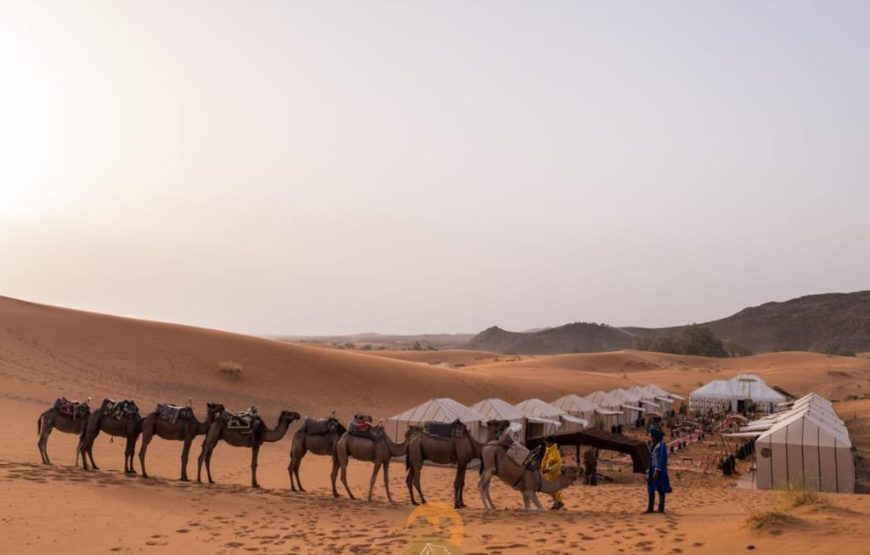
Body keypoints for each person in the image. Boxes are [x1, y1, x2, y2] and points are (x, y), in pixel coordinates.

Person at [646, 427, 672, 514]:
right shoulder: (653, 445)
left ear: (655, 437)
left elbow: (661, 458)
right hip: (652, 469)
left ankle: (661, 508)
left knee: (661, 489)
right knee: (651, 488)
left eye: (651, 436)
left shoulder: (661, 445)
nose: (650, 437)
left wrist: (657, 470)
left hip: (659, 471)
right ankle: (650, 508)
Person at [541, 437, 564, 510]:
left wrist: (549, 469)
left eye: (546, 443)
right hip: (549, 473)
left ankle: (558, 502)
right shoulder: (549, 450)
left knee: (552, 489)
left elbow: (558, 463)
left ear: (550, 443)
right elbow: (545, 460)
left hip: (553, 473)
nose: (546, 444)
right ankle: (557, 502)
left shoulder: (554, 452)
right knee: (552, 489)